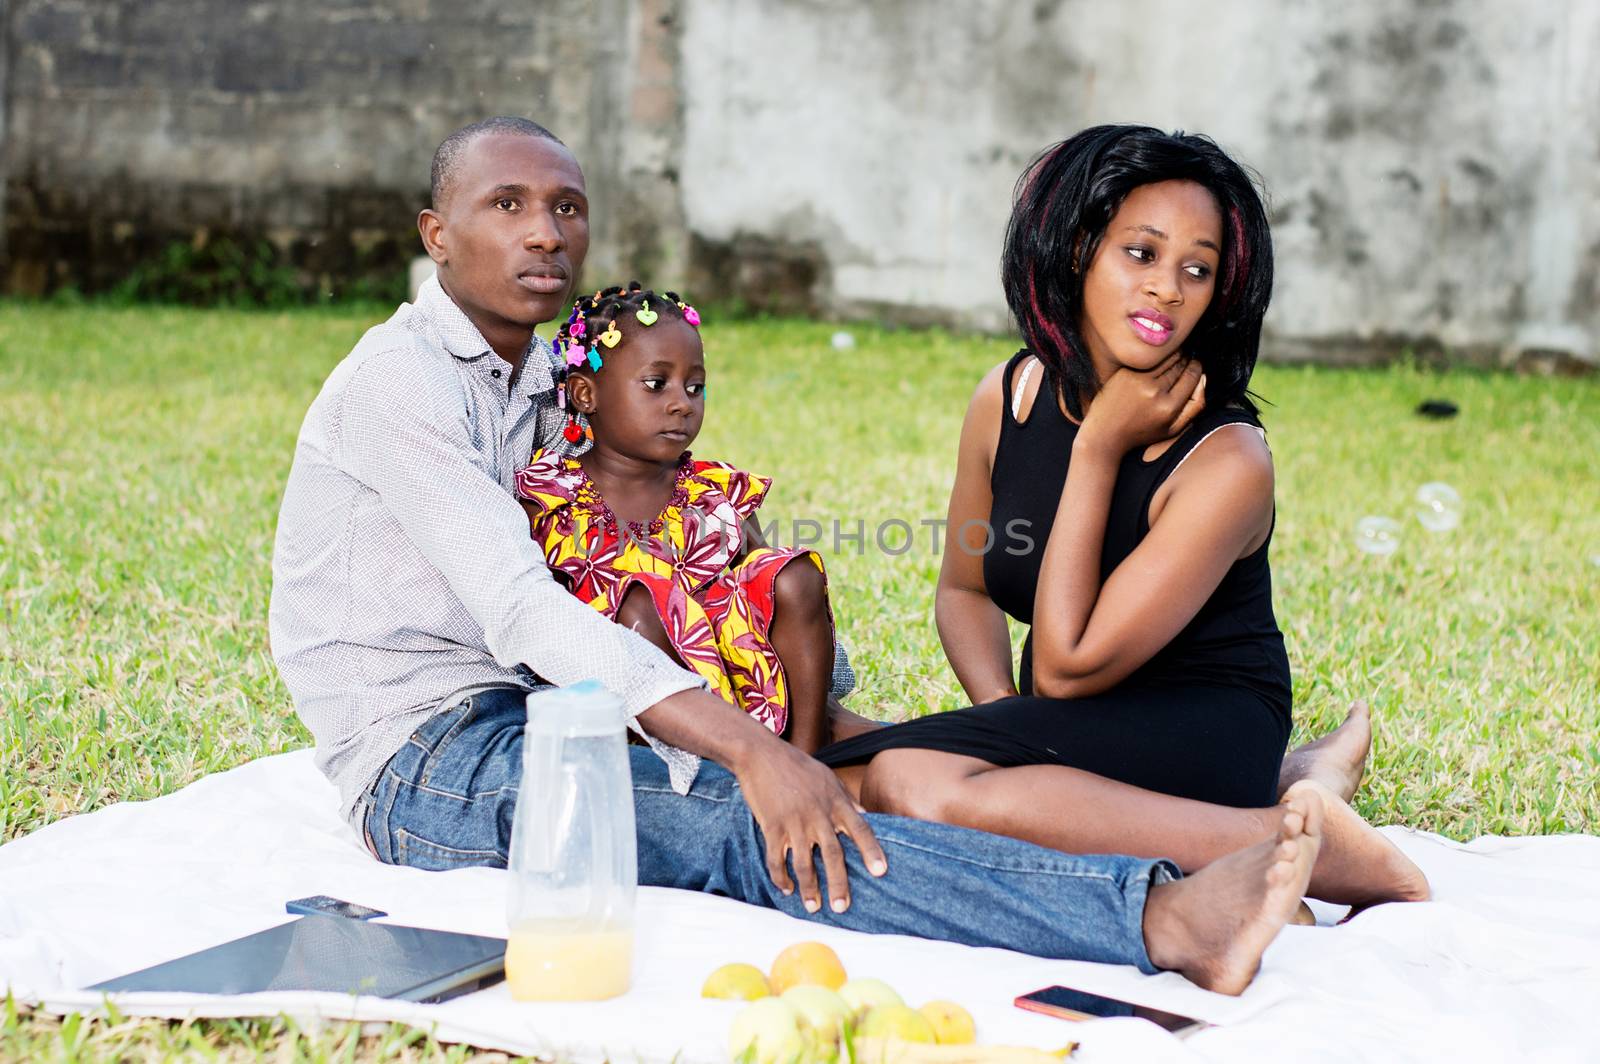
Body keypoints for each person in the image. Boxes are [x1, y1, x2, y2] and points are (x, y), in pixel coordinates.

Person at [268, 115, 1325, 996]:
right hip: (436, 754)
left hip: (563, 702)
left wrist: (783, 703)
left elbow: (663, 549)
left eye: (566, 208)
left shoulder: (557, 375)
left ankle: (1254, 804)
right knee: (760, 819)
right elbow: (528, 611)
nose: (544, 232)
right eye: (507, 205)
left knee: (862, 750)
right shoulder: (399, 386)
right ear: (436, 234)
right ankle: (1158, 917)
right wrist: (756, 751)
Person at [817, 125, 1430, 909]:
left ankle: (1325, 853)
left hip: (1201, 726)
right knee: (833, 762)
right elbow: (965, 590)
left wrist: (1101, 446)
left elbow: (1069, 669)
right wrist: (1004, 715)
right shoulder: (1011, 397)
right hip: (1066, 718)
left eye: (1197, 269)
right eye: (1140, 253)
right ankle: (1305, 785)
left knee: (905, 779)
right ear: (1074, 251)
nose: (1168, 289)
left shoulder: (1229, 460)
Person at [513, 281, 847, 754]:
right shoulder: (551, 498)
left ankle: (810, 756)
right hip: (638, 704)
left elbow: (765, 584)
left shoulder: (711, 491)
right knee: (641, 603)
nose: (682, 404)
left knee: (792, 574)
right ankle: (705, 773)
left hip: (747, 678)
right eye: (656, 384)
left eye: (695, 387)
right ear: (586, 394)